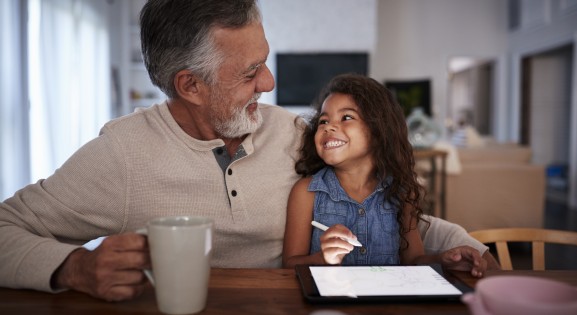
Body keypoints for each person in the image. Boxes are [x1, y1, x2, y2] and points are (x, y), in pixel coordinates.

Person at [0, 0, 496, 303]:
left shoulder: (298, 134)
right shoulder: (121, 157)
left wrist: (471, 251)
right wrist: (74, 268)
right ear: (190, 85)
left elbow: (388, 211)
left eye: (266, 61)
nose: (270, 82)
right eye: (249, 71)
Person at [282, 74, 494, 275]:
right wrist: (322, 259)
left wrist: (443, 260)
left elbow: (413, 262)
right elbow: (289, 265)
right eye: (323, 121)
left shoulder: (400, 193)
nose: (329, 127)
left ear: (378, 131)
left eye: (346, 117)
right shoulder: (306, 192)